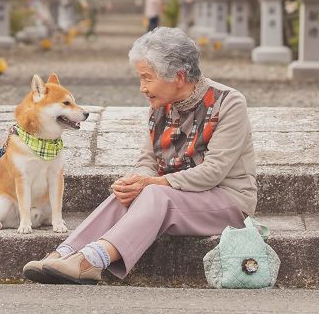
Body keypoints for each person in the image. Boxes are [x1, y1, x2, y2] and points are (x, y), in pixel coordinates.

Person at [22, 26, 257, 285]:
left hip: (227, 202)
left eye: (147, 78)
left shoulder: (229, 102)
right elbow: (148, 162)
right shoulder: (159, 106)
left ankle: (90, 261)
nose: (142, 88)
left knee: (154, 192)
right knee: (130, 193)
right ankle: (65, 252)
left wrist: (153, 183)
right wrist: (137, 181)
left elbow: (214, 171)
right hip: (173, 195)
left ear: (178, 76)